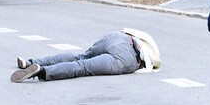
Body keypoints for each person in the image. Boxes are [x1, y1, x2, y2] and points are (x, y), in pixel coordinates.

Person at [10, 28, 161, 82]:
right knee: (83, 67)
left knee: (81, 57)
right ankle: (43, 71)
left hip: (118, 37)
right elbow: (151, 67)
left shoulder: (142, 37)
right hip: (126, 58)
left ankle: (31, 62)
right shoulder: (151, 56)